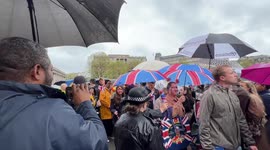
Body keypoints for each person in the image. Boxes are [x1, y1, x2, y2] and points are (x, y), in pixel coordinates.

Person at [0, 37, 108, 150]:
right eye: (51, 70)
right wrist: (85, 104)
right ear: (37, 71)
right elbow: (97, 142)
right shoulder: (53, 112)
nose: (51, 75)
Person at [199, 65, 257, 150]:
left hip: (236, 145)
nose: (235, 74)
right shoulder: (209, 95)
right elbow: (204, 124)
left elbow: (241, 120)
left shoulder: (232, 95)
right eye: (232, 72)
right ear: (222, 77)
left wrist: (250, 142)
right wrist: (208, 148)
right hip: (218, 146)